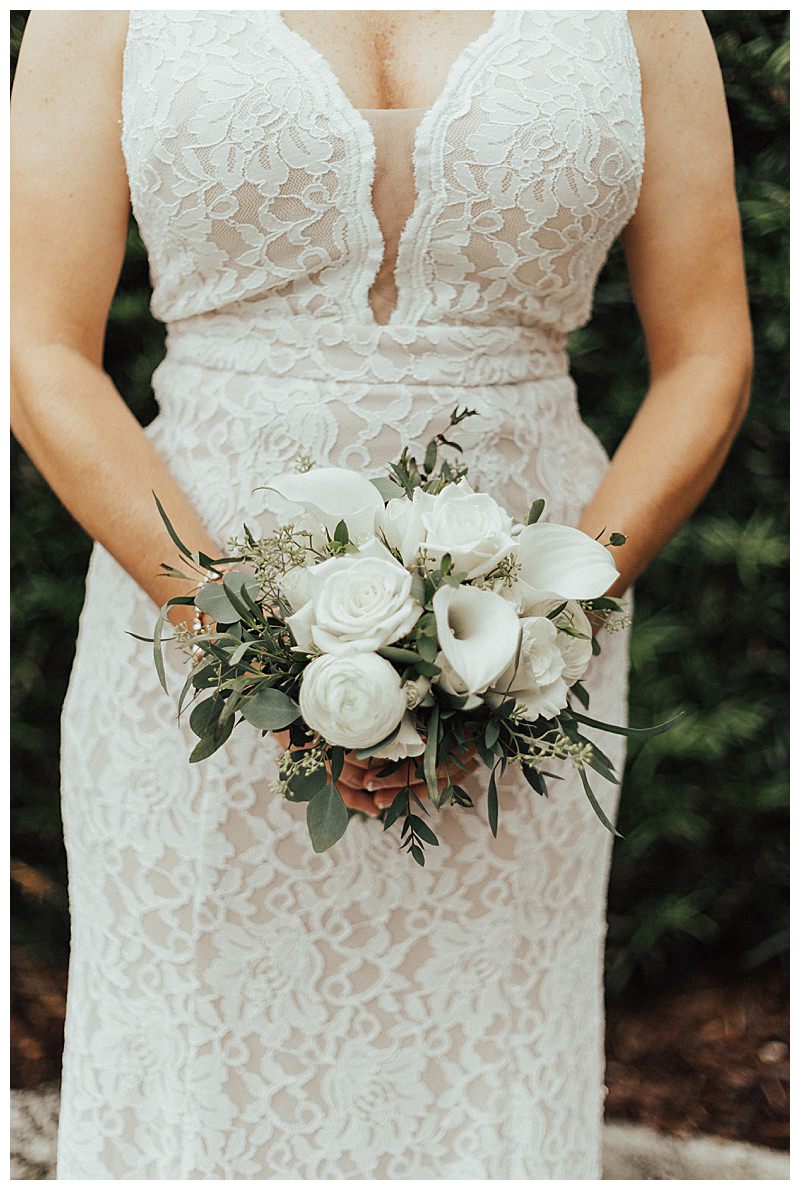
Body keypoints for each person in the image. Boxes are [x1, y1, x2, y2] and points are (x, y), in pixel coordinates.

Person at [11, 8, 751, 1179]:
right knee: (199, 1061)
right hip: (185, 623)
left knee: (476, 1059)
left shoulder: (647, 15)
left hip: (521, 647)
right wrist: (240, 634)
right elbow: (37, 344)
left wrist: (537, 628)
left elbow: (708, 353)